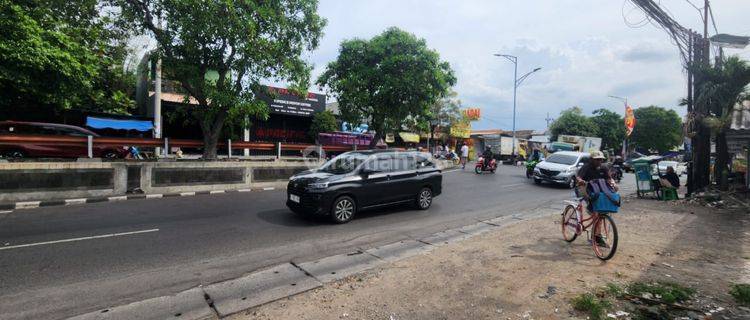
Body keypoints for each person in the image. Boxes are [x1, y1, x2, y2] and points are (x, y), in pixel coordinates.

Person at [576, 150, 618, 247]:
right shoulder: (586, 167)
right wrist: (581, 181)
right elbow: (578, 177)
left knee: (602, 209)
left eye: (601, 160)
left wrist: (614, 184)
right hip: (584, 188)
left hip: (598, 190)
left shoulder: (603, 168)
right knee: (595, 210)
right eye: (597, 160)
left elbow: (609, 178)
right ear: (591, 160)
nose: (599, 161)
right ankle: (596, 236)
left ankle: (596, 236)